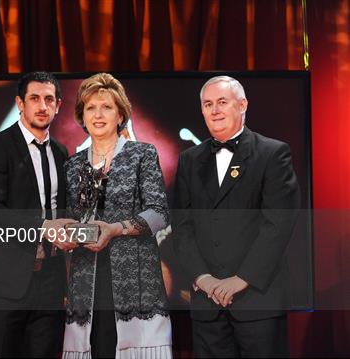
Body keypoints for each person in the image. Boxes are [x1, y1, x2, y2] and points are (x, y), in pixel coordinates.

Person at [172, 75, 300, 357]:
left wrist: (241, 279)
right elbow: (181, 226)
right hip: (207, 305)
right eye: (208, 104)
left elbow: (279, 223)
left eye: (222, 102)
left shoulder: (273, 153)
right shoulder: (189, 160)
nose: (214, 110)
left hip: (257, 300)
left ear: (242, 105)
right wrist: (202, 278)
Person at [62, 73, 172, 358]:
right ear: (82, 115)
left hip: (134, 278)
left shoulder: (142, 154)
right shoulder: (72, 165)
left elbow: (159, 214)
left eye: (106, 107)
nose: (98, 114)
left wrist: (115, 229)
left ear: (120, 113)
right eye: (90, 108)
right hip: (87, 281)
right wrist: (65, 232)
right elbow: (70, 218)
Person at [0, 71, 77, 358]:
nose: (42, 106)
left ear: (58, 105)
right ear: (20, 103)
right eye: (34, 98)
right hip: (5, 280)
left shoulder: (60, 151)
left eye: (48, 99)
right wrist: (44, 227)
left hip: (51, 282)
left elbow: (63, 211)